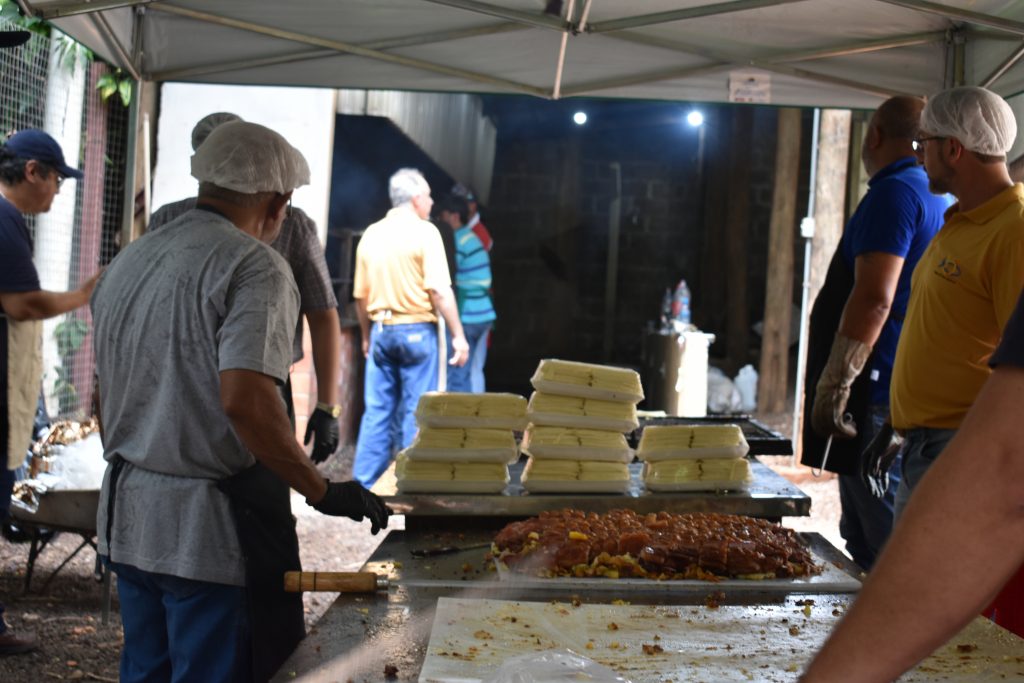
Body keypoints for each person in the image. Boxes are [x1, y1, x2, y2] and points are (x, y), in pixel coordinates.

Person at [91, 121, 390, 682]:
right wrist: (320, 489)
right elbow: (247, 402)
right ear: (278, 203)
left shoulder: (131, 259)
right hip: (209, 531)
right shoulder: (255, 266)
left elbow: (105, 392)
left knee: (146, 672)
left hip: (129, 518)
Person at [800, 288, 1024, 682]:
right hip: (922, 436)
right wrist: (902, 417)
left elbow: (1007, 469)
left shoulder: (1005, 230)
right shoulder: (950, 235)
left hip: (957, 443)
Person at [801, 96, 948, 570]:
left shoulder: (895, 194)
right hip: (894, 379)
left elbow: (874, 298)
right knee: (866, 535)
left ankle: (904, 637)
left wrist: (837, 382)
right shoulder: (930, 191)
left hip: (873, 384)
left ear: (875, 135)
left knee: (882, 539)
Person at [150, 112, 342, 464]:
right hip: (188, 380)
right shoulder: (167, 220)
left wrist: (328, 406)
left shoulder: (291, 224)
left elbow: (323, 313)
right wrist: (319, 491)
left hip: (260, 382)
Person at [876, 86, 1024, 520]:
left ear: (954, 149)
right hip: (927, 443)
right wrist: (899, 421)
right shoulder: (958, 220)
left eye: (924, 144)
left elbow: (1018, 369)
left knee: (920, 585)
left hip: (959, 448)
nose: (919, 156)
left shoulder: (1013, 231)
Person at [0, 128, 98, 657]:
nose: (58, 191)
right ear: (33, 171)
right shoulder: (3, 219)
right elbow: (22, 305)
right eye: (57, 179)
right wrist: (83, 294)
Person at [352, 168, 469, 488]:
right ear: (417, 199)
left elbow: (360, 296)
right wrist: (459, 336)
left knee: (376, 410)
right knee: (416, 411)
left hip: (381, 330)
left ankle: (365, 485)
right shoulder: (425, 232)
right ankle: (411, 482)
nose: (431, 202)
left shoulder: (371, 234)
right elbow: (439, 291)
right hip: (417, 330)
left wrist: (365, 336)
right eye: (429, 196)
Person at [437, 193, 496, 393]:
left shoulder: (457, 241)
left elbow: (446, 279)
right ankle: (475, 420)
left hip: (469, 314)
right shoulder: (471, 238)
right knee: (474, 370)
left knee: (458, 371)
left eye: (443, 216)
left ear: (453, 216)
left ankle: (459, 421)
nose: (441, 221)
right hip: (485, 314)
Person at [452, 183, 493, 252]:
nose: (453, 208)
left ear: (472, 205)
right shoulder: (459, 227)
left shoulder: (480, 234)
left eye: (458, 204)